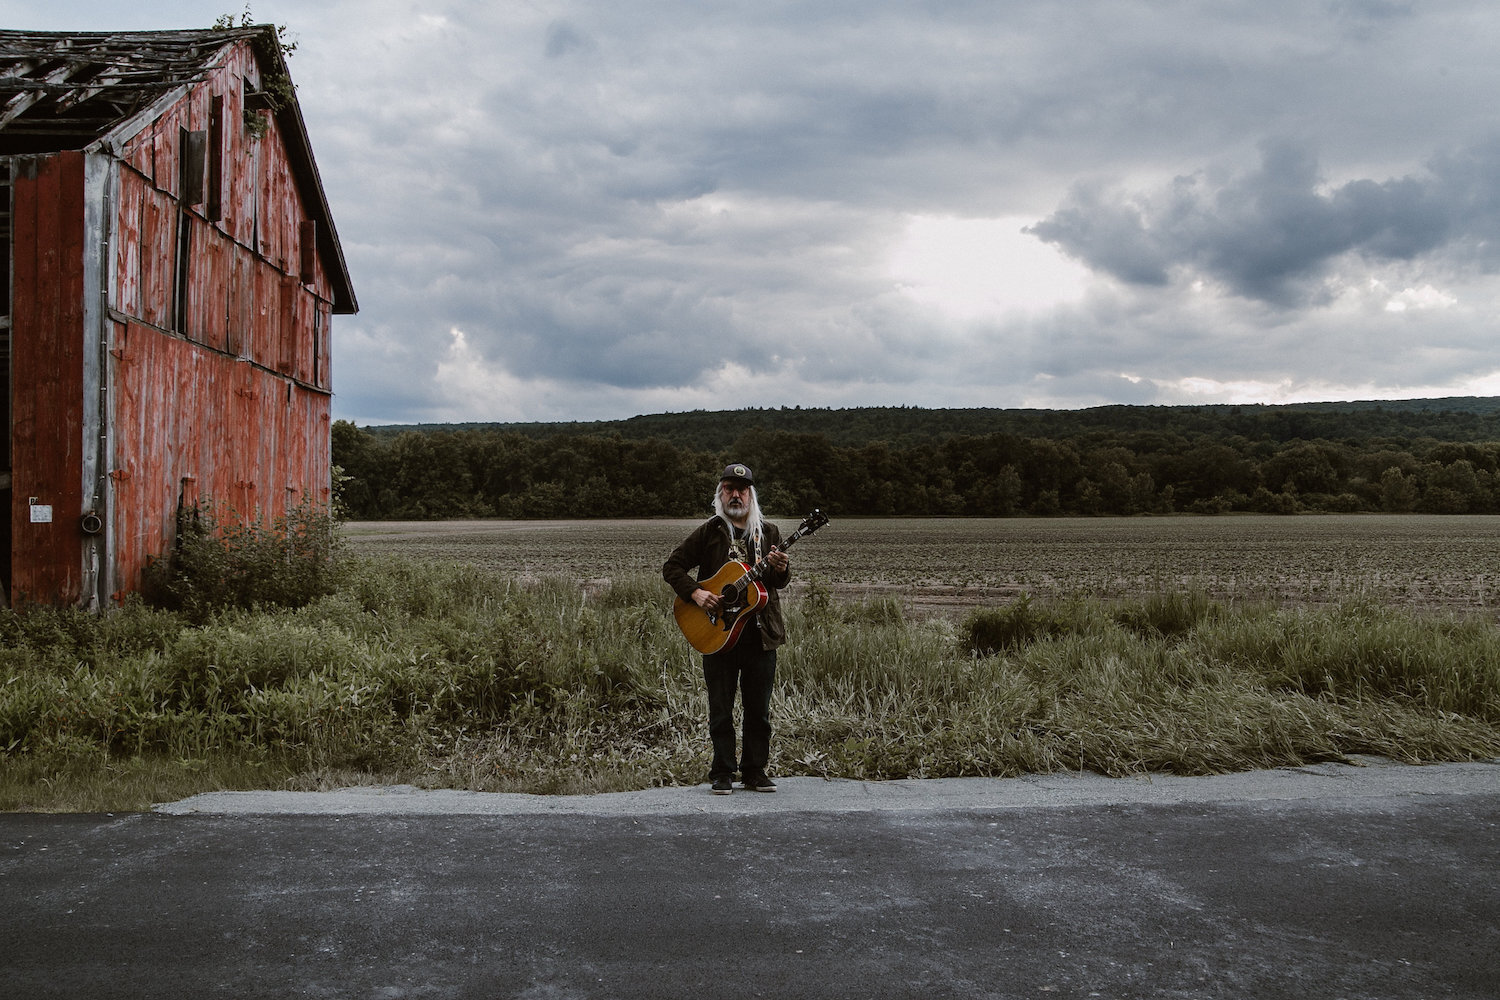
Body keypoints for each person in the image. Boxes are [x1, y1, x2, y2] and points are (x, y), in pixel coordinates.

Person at [663, 463, 791, 794]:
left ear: (751, 494)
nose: (736, 494)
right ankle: (722, 772)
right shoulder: (709, 532)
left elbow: (776, 583)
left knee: (758, 710)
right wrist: (696, 592)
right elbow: (672, 566)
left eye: (742, 489)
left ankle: (754, 771)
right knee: (721, 708)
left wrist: (781, 568)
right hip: (717, 633)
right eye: (729, 488)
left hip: (760, 635)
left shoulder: (769, 533)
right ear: (720, 494)